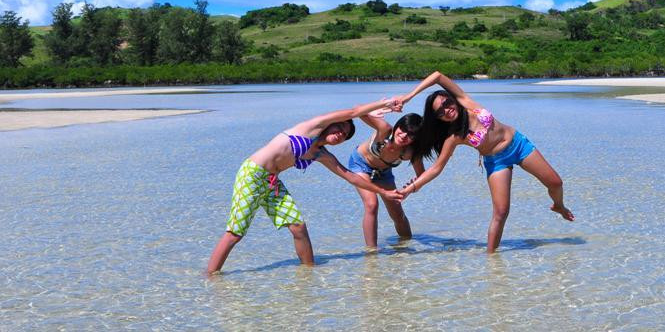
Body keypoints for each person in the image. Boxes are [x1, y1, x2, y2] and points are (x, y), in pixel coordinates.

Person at [207, 98, 404, 273]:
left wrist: (382, 192)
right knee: (235, 233)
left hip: (271, 181)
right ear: (330, 124)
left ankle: (308, 275)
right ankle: (210, 277)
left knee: (298, 227)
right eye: (340, 128)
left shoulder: (321, 154)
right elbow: (353, 112)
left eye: (344, 136)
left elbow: (350, 177)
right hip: (252, 174)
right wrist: (383, 104)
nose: (340, 135)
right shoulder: (311, 127)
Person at [397, 71, 574, 253]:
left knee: (555, 182)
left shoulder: (467, 103)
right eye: (440, 112)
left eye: (447, 103)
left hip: (518, 144)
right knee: (501, 212)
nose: (447, 110)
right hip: (497, 162)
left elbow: (437, 76)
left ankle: (558, 206)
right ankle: (492, 261)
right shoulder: (454, 137)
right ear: (439, 119)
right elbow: (436, 169)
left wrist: (409, 96)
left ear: (452, 99)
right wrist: (410, 189)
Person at [347, 110, 425, 247]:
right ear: (398, 125)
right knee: (372, 204)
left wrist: (410, 188)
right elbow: (358, 111)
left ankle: (406, 246)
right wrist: (374, 110)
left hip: (384, 173)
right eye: (403, 129)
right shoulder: (385, 130)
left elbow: (422, 176)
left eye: (411, 135)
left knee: (397, 213)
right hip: (360, 164)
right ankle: (371, 253)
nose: (404, 135)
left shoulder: (409, 152)